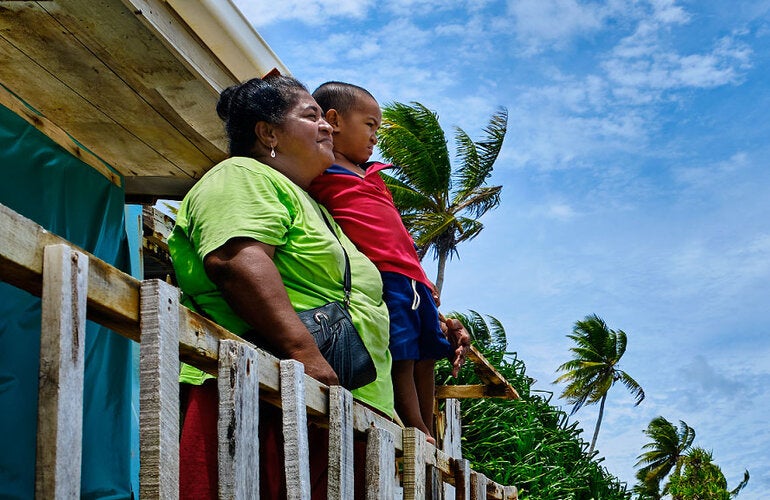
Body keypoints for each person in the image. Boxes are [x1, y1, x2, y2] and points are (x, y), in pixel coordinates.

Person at [168, 75, 394, 499]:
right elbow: (237, 259)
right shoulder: (241, 174)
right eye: (311, 116)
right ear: (268, 133)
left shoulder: (313, 203)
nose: (326, 126)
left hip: (336, 403)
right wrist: (304, 353)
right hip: (267, 392)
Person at [308, 81, 469, 444]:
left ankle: (425, 422)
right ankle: (414, 426)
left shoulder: (374, 174)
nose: (375, 137)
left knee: (428, 350)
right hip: (383, 272)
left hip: (411, 274)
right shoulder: (321, 167)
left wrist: (423, 276)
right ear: (334, 120)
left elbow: (398, 232)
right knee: (403, 351)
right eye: (370, 125)